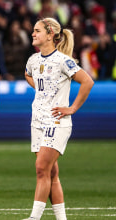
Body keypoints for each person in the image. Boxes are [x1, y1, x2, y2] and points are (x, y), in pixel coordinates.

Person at [23, 18, 94, 220]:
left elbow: (87, 81)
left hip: (56, 121)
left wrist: (72, 108)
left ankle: (34, 218)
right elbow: (28, 75)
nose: (33, 34)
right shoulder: (33, 60)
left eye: (37, 31)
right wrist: (41, 88)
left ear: (50, 34)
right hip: (37, 120)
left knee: (41, 169)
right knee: (51, 174)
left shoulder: (63, 60)